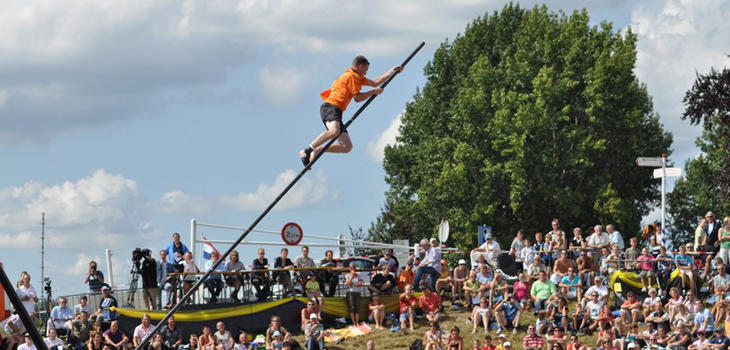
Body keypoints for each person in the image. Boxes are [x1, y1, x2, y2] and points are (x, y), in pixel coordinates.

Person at [299, 56, 402, 165]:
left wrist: (392, 71)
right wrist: (373, 92)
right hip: (330, 107)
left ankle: (318, 149)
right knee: (334, 131)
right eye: (366, 70)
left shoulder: (357, 77)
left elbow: (375, 82)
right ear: (360, 66)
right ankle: (307, 150)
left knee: (346, 147)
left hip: (337, 111)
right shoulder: (351, 76)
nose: (366, 73)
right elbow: (357, 98)